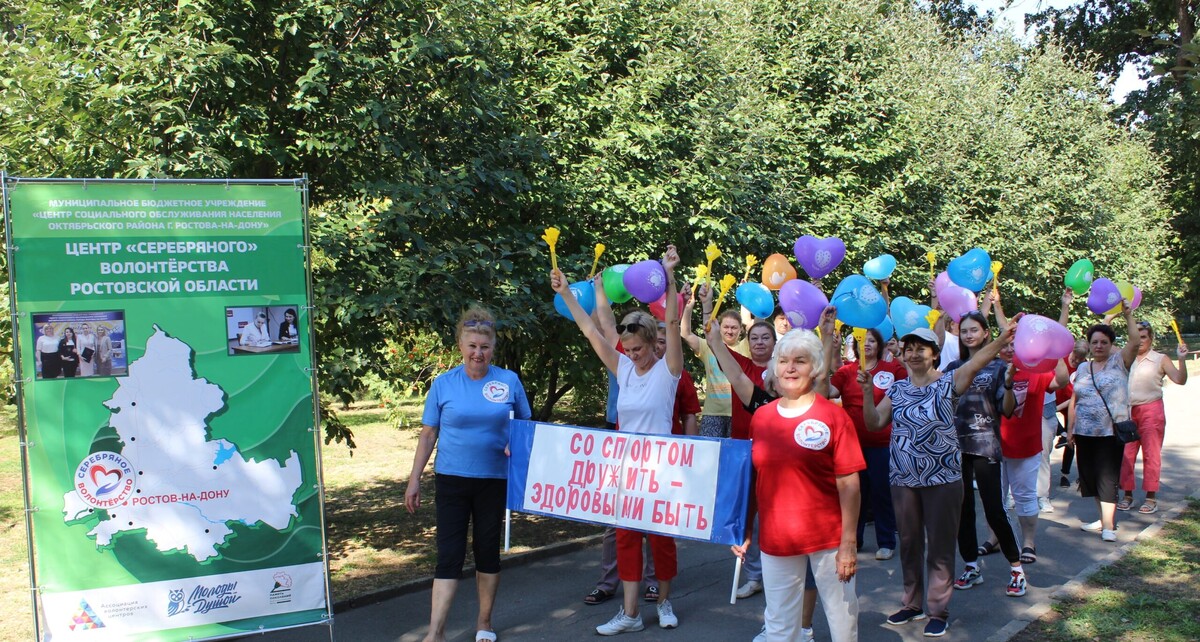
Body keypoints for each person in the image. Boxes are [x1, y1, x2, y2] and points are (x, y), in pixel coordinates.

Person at [553, 246, 684, 635]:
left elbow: (673, 324)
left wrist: (670, 276)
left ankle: (663, 602)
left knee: (661, 541)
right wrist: (566, 294)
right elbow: (592, 329)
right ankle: (629, 615)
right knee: (626, 539)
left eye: (638, 349)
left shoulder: (668, 371)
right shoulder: (623, 366)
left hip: (661, 469)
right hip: (628, 470)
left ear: (651, 343)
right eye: (627, 349)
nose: (632, 354)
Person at [860, 323, 1015, 637]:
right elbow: (875, 423)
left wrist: (1001, 338)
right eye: (909, 348)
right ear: (903, 354)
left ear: (934, 355)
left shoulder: (949, 382)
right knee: (908, 543)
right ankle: (912, 603)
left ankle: (938, 610)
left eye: (921, 348)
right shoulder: (898, 389)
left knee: (941, 546)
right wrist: (866, 393)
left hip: (942, 478)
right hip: (903, 478)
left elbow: (976, 362)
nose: (914, 354)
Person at [404, 306, 532, 642]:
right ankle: (436, 631)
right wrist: (414, 478)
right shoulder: (443, 384)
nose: (478, 353)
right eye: (472, 345)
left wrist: (515, 445)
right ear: (460, 345)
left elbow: (526, 428)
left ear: (493, 348)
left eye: (485, 346)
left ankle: (484, 623)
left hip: (493, 480)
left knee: (486, 551)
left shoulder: (509, 381)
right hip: (451, 479)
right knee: (449, 555)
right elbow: (429, 434)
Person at [736, 329, 864, 642]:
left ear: (816, 368)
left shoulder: (834, 417)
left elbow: (849, 484)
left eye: (800, 361)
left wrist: (848, 543)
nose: (790, 368)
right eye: (783, 361)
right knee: (779, 624)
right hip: (776, 539)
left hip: (828, 539)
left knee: (842, 620)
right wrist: (744, 531)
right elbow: (753, 479)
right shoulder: (761, 418)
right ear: (775, 368)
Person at [942, 310, 1025, 598]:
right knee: (961, 511)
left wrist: (1010, 383)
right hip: (955, 449)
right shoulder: (953, 367)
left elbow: (1008, 409)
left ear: (986, 333)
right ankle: (970, 565)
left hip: (986, 446)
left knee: (994, 510)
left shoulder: (1000, 367)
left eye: (974, 330)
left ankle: (1016, 569)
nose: (968, 335)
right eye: (964, 330)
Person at [983, 341, 1069, 566]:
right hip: (993, 445)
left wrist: (1056, 352)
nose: (1010, 349)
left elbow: (1062, 381)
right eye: (1006, 345)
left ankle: (1028, 543)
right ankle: (995, 538)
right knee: (994, 497)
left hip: (1026, 444)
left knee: (1025, 496)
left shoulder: (1036, 371)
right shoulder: (991, 371)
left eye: (1015, 345)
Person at [828, 326, 907, 562]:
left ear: (879, 345)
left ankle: (886, 542)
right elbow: (829, 391)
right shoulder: (845, 371)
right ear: (855, 346)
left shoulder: (892, 368)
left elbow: (908, 389)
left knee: (882, 493)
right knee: (854, 493)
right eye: (862, 341)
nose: (867, 345)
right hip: (852, 445)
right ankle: (855, 539)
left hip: (883, 443)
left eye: (872, 341)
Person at [1067, 301, 1138, 543]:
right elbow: (1074, 401)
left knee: (1107, 478)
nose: (1099, 346)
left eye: (1104, 342)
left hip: (1109, 433)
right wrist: (1070, 430)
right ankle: (1101, 519)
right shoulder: (1084, 368)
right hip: (1085, 433)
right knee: (1091, 477)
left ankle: (1109, 525)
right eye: (1095, 342)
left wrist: (1128, 316)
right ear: (1089, 345)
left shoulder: (1119, 362)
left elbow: (1135, 342)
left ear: (1111, 345)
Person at [1117, 320, 1188, 514]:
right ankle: (1127, 495)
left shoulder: (1160, 358)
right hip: (1129, 411)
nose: (1140, 341)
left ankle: (1150, 498)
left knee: (1151, 454)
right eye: (1136, 336)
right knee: (1126, 455)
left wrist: (1181, 359)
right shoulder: (1125, 357)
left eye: (1144, 337)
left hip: (1151, 410)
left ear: (1150, 338)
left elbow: (1180, 380)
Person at [681, 291, 747, 439]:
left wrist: (746, 300)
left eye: (734, 327)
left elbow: (753, 325)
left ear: (741, 330)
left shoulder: (746, 347)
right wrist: (688, 308)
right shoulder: (708, 346)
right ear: (719, 327)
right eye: (726, 327)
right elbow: (685, 334)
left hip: (739, 413)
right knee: (708, 456)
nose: (729, 331)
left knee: (732, 458)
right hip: (712, 413)